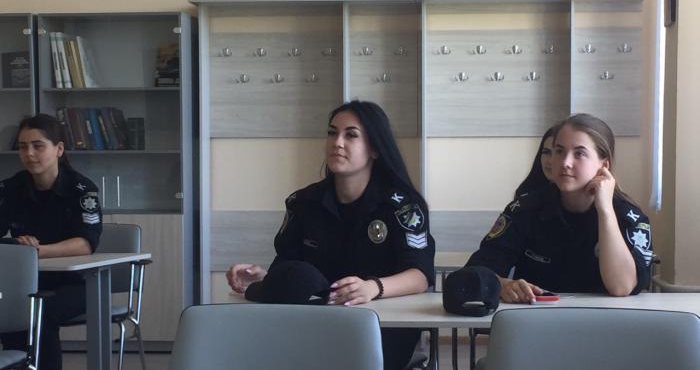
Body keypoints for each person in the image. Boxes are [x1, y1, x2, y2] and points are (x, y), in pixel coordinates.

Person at [226, 100, 435, 370]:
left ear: (374, 148)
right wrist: (265, 276)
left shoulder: (402, 206)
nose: (337, 142)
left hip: (382, 327)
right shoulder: (304, 202)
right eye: (332, 133)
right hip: (315, 324)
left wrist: (373, 287)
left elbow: (419, 275)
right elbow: (291, 264)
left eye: (351, 135)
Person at [467, 113, 653, 303]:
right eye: (559, 151)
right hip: (538, 317)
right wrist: (502, 284)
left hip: (605, 318)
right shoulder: (525, 209)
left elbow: (621, 286)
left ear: (603, 165)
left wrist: (605, 209)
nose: (565, 163)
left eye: (579, 154)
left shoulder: (629, 216)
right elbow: (474, 272)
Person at [0, 114, 102, 370]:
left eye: (38, 146)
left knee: (39, 313)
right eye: (23, 147)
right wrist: (17, 248)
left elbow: (85, 244)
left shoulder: (81, 189)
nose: (29, 153)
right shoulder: (10, 189)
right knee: (9, 310)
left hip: (77, 283)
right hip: (27, 281)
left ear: (59, 149)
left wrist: (35, 252)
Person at [513, 125, 556, 198]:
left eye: (559, 152)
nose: (550, 161)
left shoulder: (574, 199)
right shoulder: (525, 195)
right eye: (546, 152)